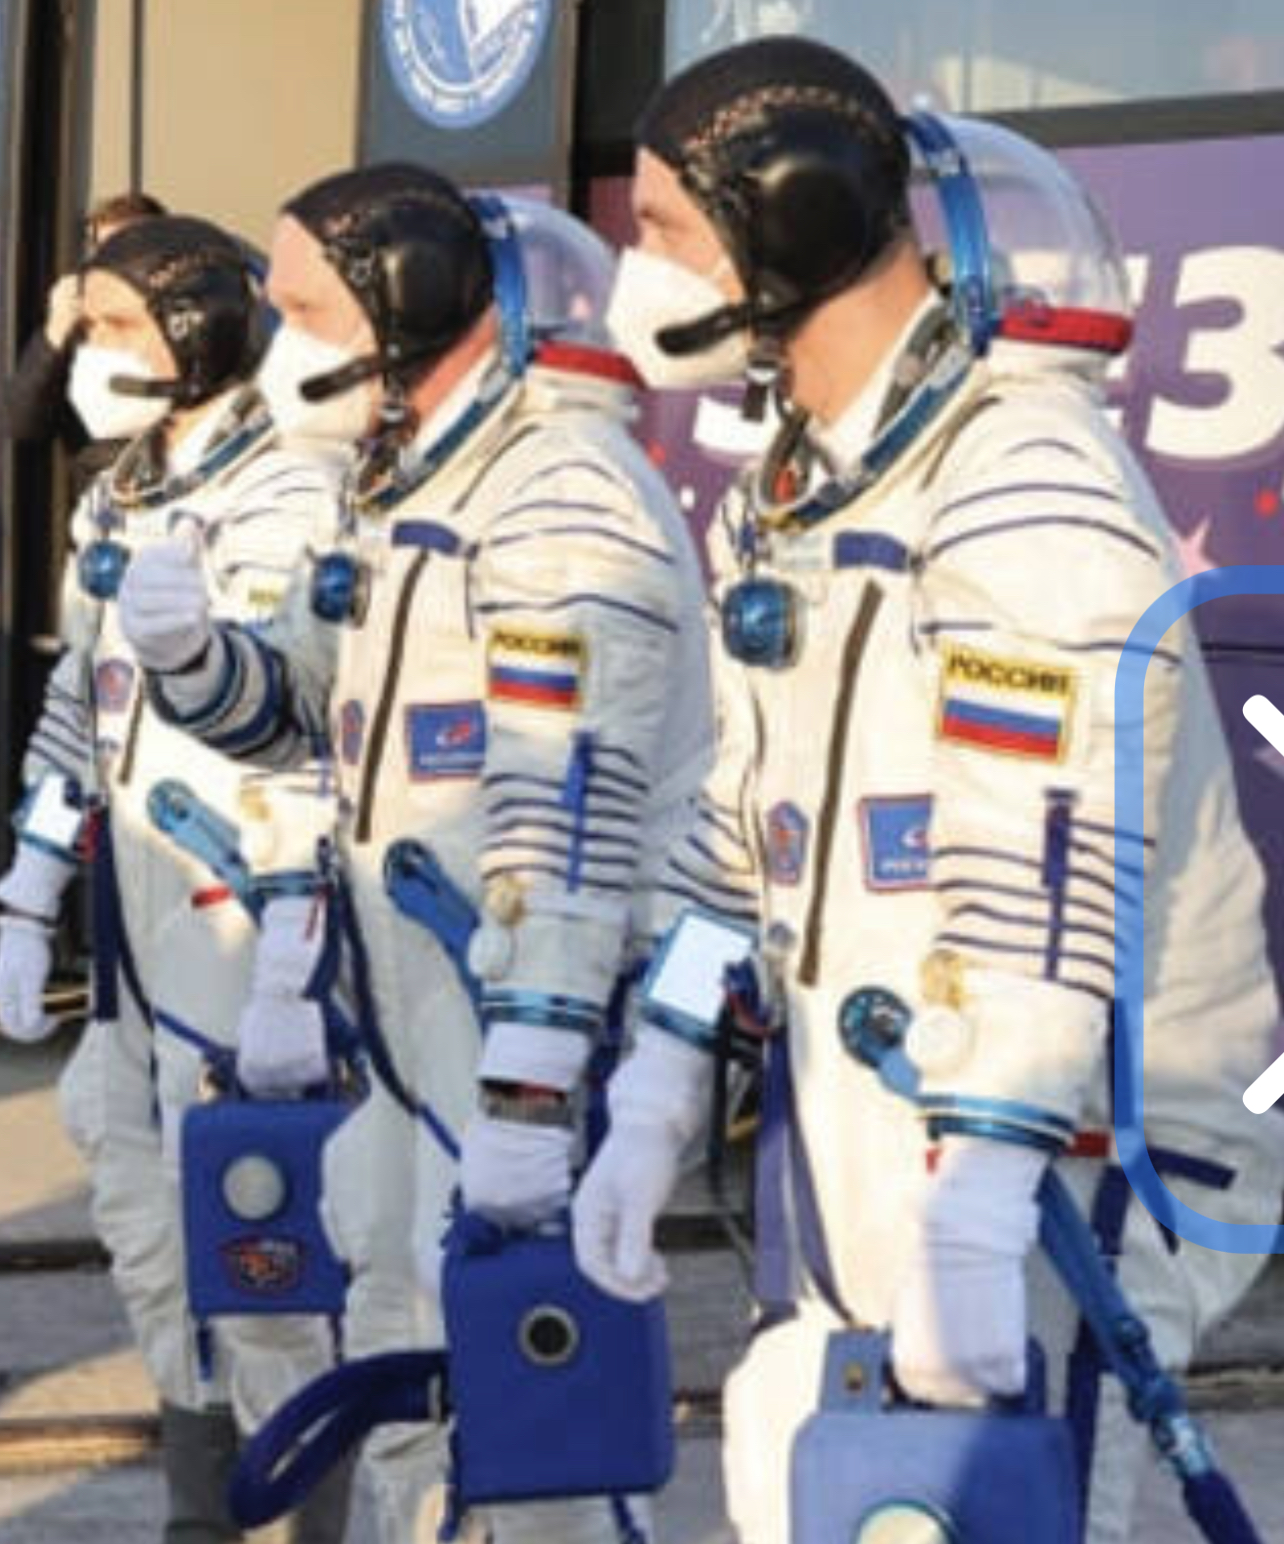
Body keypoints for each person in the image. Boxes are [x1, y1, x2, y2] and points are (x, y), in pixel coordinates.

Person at [570, 36, 1284, 1544]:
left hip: (1064, 1146)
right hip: (879, 1115)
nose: (640, 272)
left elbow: (1043, 866)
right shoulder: (809, 488)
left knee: (978, 1508)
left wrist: (980, 1198)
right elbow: (739, 834)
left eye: (668, 228)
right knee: (794, 1454)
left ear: (785, 221)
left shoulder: (1023, 477)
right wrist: (660, 1078)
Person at [115, 165, 713, 1542]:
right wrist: (192, 658)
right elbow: (295, 715)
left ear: (409, 304)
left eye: (310, 309)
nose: (282, 343)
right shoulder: (401, 490)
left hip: (514, 1020)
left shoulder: (559, 493)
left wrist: (529, 1093)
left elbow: (572, 817)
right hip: (409, 1018)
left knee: (537, 1420)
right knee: (405, 1348)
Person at [0, 213, 352, 1543]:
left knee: (267, 1256)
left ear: (197, 331)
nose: (87, 353)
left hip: (244, 915)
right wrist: (30, 886)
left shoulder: (293, 492)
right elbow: (74, 712)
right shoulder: (118, 496)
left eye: (113, 325)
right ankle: (200, 1522)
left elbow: (310, 731)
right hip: (139, 934)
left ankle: (317, 1517)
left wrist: (293, 962)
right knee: (151, 1238)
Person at [3, 190, 167, 492]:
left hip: (196, 478)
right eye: (106, 251)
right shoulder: (78, 322)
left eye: (131, 248)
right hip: (111, 489)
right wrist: (56, 332)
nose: (118, 263)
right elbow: (23, 422)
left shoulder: (197, 310)